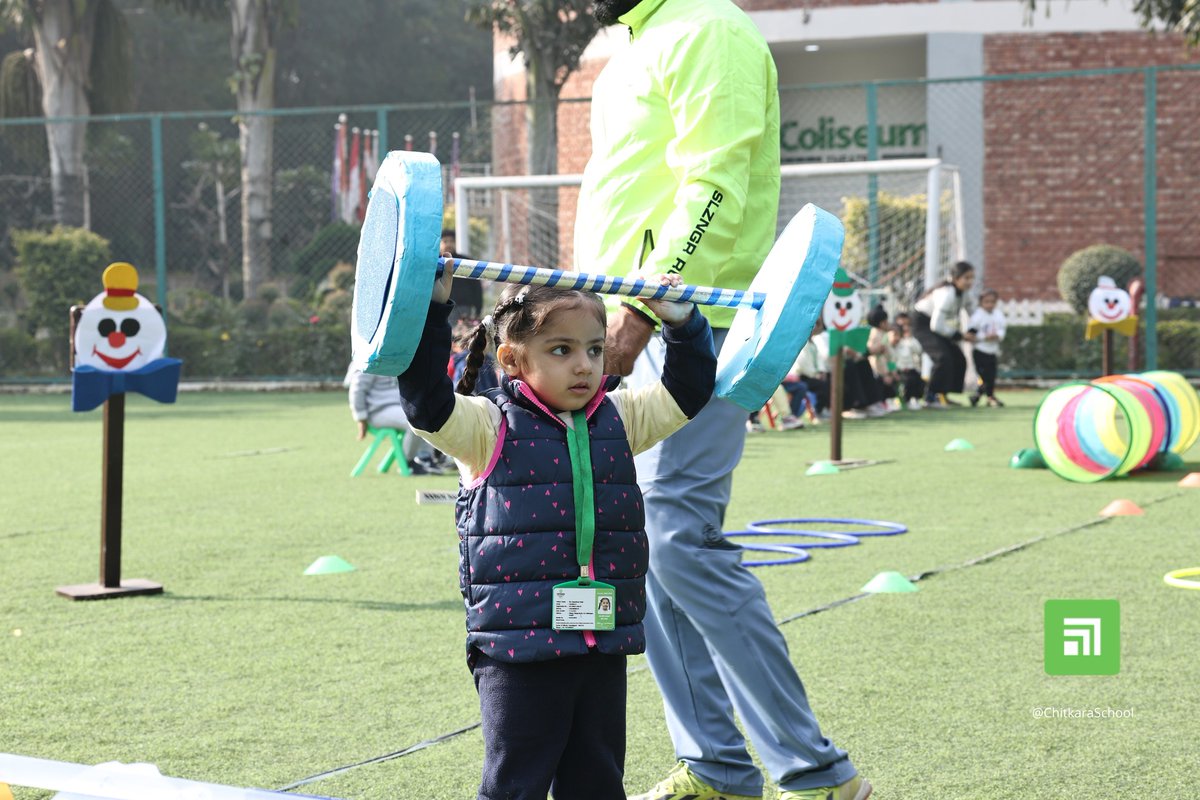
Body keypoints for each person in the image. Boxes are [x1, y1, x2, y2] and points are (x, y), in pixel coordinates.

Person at [575, 1, 869, 799]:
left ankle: (814, 772)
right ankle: (716, 767)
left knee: (677, 537)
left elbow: (716, 183)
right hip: (619, 328)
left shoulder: (709, 27)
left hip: (693, 329)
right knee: (646, 543)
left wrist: (641, 313)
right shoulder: (629, 47)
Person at [395, 267, 716, 800]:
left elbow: (687, 392)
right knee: (515, 785)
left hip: (601, 640)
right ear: (514, 361)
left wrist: (682, 323)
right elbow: (427, 406)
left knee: (597, 781)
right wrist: (432, 307)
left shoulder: (620, 416)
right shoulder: (488, 427)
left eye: (593, 349)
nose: (584, 366)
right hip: (519, 651)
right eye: (561, 350)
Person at [346, 366, 449, 475]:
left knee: (425, 414)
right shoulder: (368, 358)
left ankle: (425, 457)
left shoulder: (394, 357)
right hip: (377, 411)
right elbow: (357, 390)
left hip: (398, 407)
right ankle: (408, 463)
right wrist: (361, 418)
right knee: (414, 421)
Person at [912, 260, 977, 407]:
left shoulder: (965, 294)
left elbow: (974, 314)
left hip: (936, 326)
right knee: (942, 357)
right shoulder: (946, 294)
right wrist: (961, 336)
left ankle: (943, 395)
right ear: (955, 278)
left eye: (972, 278)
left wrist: (973, 331)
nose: (970, 281)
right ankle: (930, 396)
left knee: (958, 358)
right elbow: (936, 325)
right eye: (966, 278)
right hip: (922, 324)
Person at [968, 289, 1006, 407]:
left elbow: (1002, 329)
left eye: (992, 302)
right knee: (985, 376)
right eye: (986, 302)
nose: (989, 305)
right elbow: (971, 333)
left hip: (992, 351)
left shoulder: (998, 314)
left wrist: (997, 336)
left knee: (991, 375)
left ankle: (979, 396)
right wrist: (984, 337)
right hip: (980, 351)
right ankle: (988, 396)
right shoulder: (977, 316)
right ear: (981, 302)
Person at [891, 313, 925, 409]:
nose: (905, 328)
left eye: (907, 325)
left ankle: (914, 399)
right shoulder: (892, 341)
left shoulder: (909, 341)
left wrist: (910, 338)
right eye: (902, 325)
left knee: (917, 379)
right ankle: (896, 400)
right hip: (897, 370)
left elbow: (918, 350)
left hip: (909, 369)